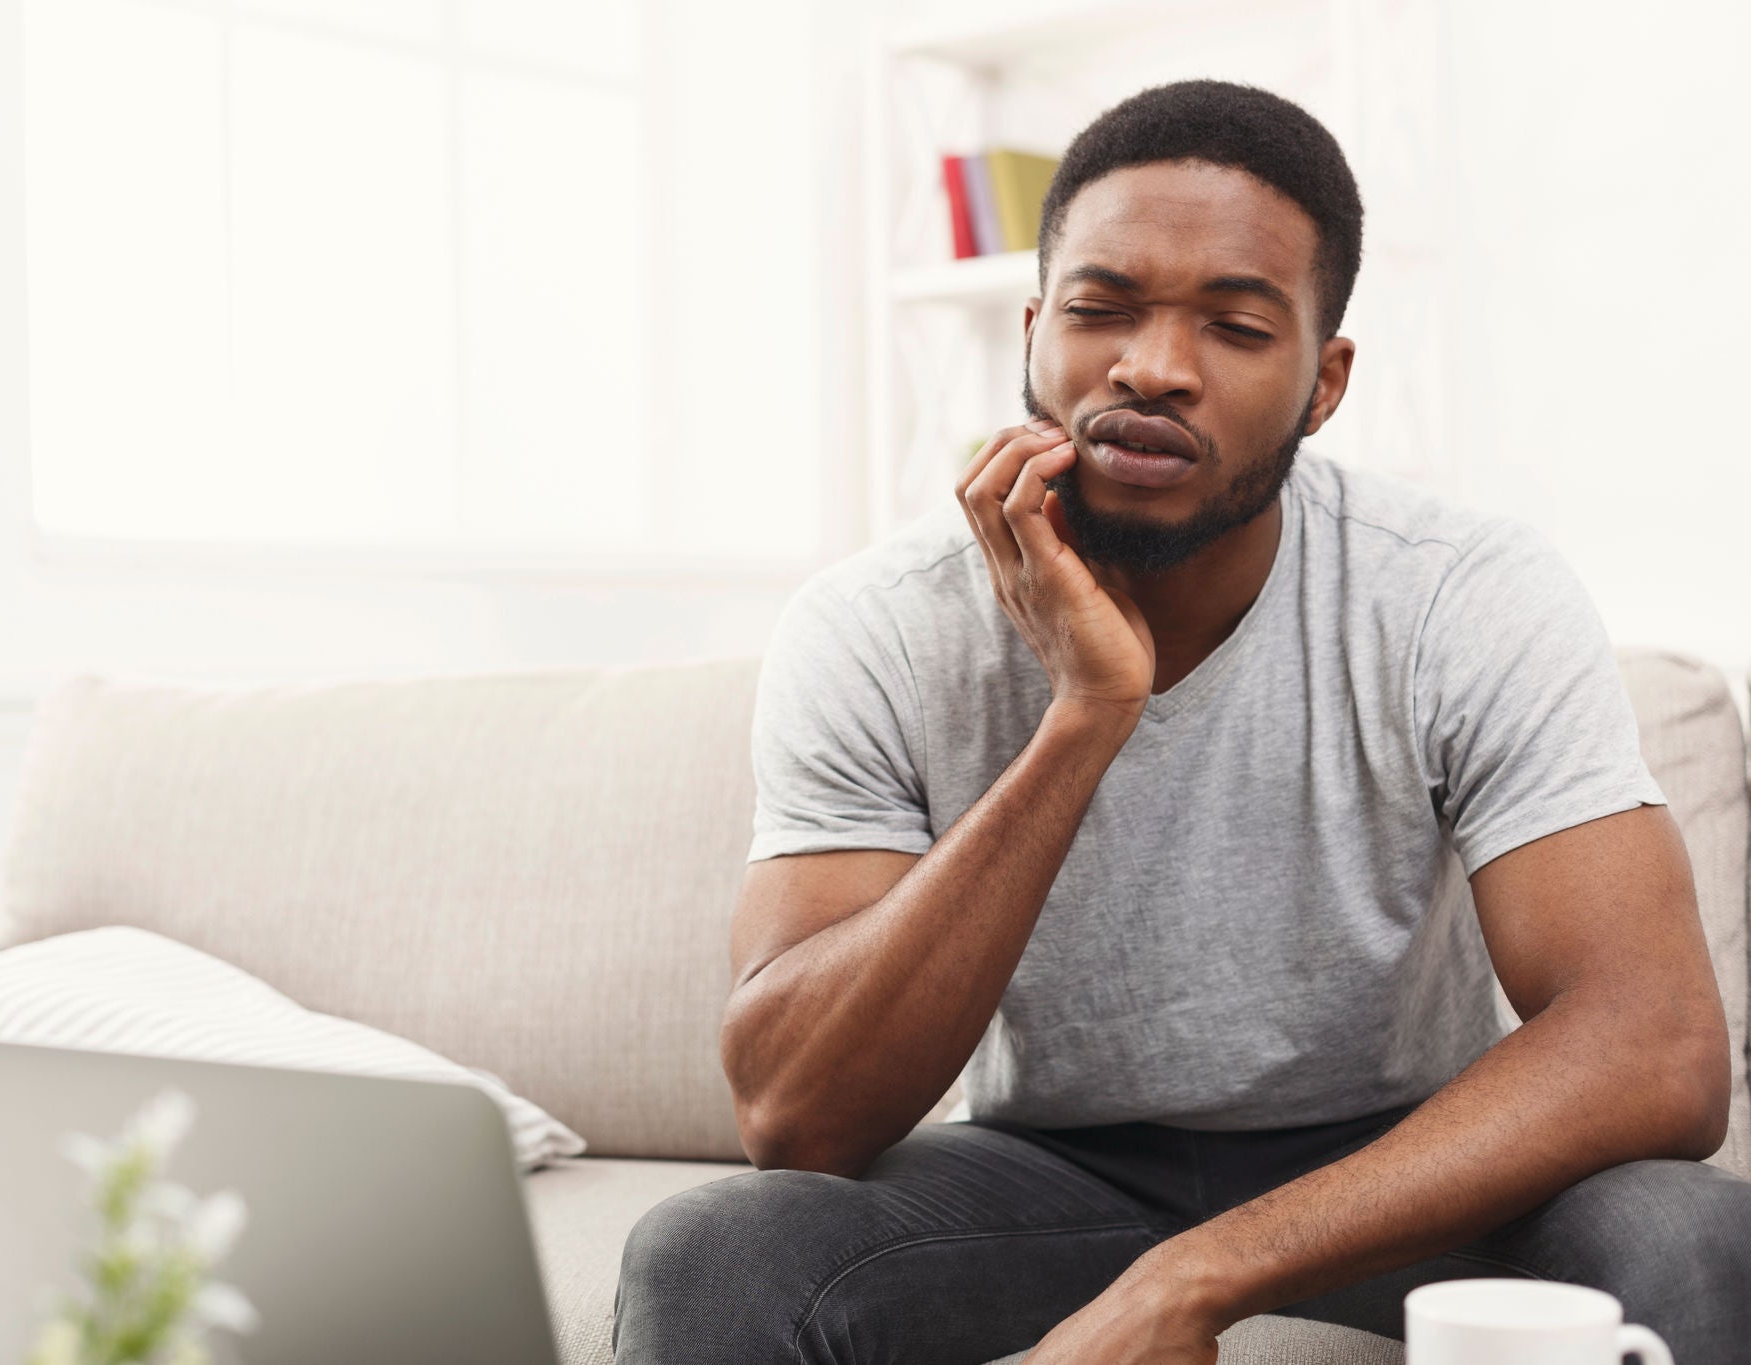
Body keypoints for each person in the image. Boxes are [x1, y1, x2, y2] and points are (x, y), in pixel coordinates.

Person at [610, 79, 1751, 1365]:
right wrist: (1090, 712)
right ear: (1031, 335)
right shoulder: (878, 626)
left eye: (1233, 326)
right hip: (1047, 1178)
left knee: (1690, 1238)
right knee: (712, 1254)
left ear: (1323, 384)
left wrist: (1200, 1274)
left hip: (1403, 1165)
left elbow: (1653, 1046)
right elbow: (797, 1116)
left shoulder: (1454, 595)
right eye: (1099, 311)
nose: (1150, 369)